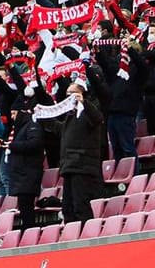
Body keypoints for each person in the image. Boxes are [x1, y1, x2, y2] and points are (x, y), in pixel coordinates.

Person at [55, 80, 103, 223]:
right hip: (69, 165)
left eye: (72, 93)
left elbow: (97, 118)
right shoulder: (71, 115)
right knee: (67, 208)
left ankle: (86, 236)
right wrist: (43, 118)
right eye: (67, 94)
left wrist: (85, 103)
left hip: (83, 165)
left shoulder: (88, 111)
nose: (69, 97)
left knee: (80, 205)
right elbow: (60, 129)